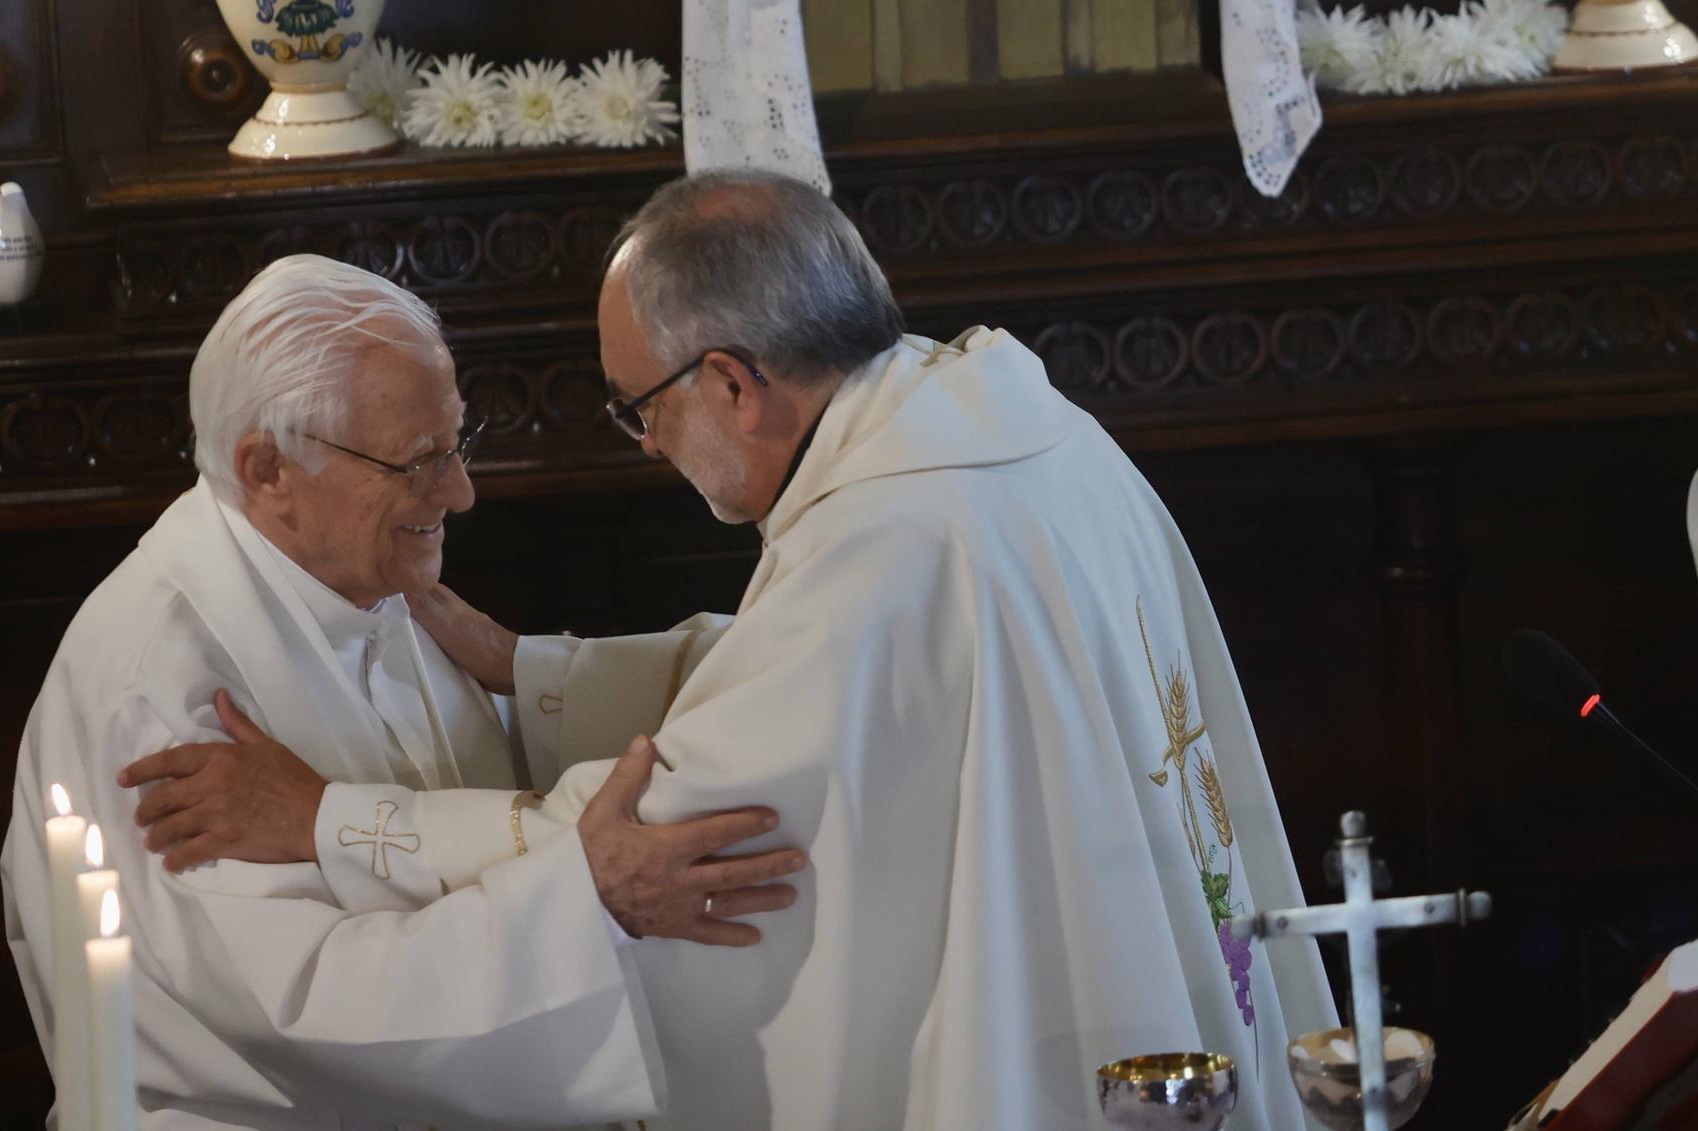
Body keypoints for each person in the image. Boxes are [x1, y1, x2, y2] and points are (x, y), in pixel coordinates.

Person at [135, 172, 1338, 1129]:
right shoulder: (1006, 428)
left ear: (729, 383)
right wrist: (530, 666)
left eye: (637, 408)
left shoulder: (889, 539)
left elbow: (656, 836)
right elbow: (807, 672)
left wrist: (326, 822)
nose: (647, 444)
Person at [0, 254, 802, 1131]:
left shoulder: (368, 577)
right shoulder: (160, 687)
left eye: (457, 444)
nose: (459, 493)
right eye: (418, 463)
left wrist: (521, 676)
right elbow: (304, 1006)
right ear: (267, 468)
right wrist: (585, 903)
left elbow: (461, 810)